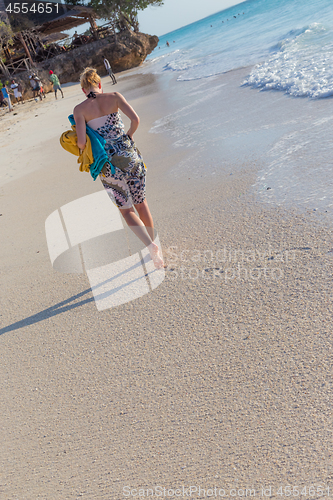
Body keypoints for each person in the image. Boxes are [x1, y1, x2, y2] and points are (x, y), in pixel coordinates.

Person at [73, 67, 164, 268]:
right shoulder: (114, 96)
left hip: (108, 165)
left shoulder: (79, 110)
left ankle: (150, 247)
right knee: (142, 204)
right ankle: (156, 247)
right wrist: (129, 135)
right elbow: (135, 120)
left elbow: (80, 143)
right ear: (99, 84)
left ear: (83, 89)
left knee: (126, 210)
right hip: (129, 155)